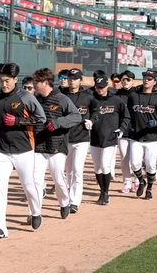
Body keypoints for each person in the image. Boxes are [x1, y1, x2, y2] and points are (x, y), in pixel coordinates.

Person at [0, 63, 46, 239]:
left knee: (28, 185)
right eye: (1, 80)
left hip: (24, 149)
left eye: (7, 81)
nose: (3, 84)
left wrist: (18, 121)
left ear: (15, 79)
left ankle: (36, 211)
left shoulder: (26, 97)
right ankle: (1, 227)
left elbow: (41, 118)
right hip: (2, 150)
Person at [32, 67, 81, 219]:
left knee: (58, 179)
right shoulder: (35, 99)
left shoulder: (62, 98)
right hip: (38, 146)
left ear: (45, 83)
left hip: (57, 146)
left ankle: (64, 203)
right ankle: (35, 212)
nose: (34, 85)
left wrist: (58, 122)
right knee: (35, 180)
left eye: (36, 82)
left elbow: (76, 116)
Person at [127, 70, 157, 199]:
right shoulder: (133, 96)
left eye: (150, 78)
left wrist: (156, 122)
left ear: (154, 82)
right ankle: (141, 181)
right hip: (136, 136)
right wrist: (127, 124)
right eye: (145, 77)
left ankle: (149, 188)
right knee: (134, 163)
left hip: (152, 138)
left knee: (151, 166)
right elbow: (127, 113)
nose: (146, 80)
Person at [90, 75, 130, 204]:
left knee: (105, 165)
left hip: (110, 137)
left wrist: (122, 128)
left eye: (102, 87)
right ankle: (102, 191)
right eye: (97, 87)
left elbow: (126, 116)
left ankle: (105, 193)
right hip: (95, 137)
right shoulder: (92, 99)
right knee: (97, 167)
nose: (100, 89)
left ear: (107, 86)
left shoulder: (116, 100)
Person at [63, 68, 98, 213]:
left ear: (80, 80)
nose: (72, 80)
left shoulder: (87, 96)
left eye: (75, 78)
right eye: (70, 78)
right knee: (67, 171)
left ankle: (75, 201)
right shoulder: (62, 95)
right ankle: (67, 197)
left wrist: (92, 120)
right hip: (65, 138)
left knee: (77, 170)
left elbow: (97, 110)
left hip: (82, 138)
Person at [115, 70, 138, 193]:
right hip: (123, 131)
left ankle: (138, 181)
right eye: (123, 80)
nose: (125, 82)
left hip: (136, 131)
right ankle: (127, 183)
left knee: (136, 159)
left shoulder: (137, 95)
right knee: (124, 159)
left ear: (133, 81)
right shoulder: (117, 95)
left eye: (128, 79)